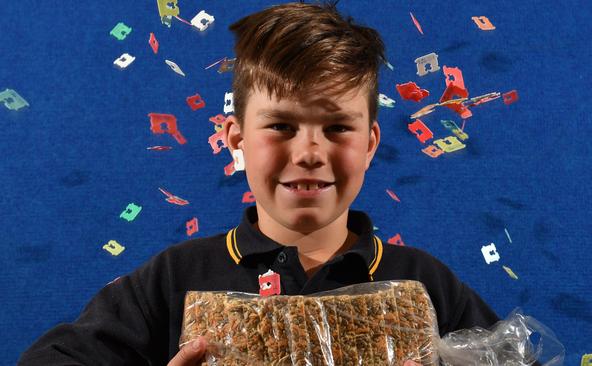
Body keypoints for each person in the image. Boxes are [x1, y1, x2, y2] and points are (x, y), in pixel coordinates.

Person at [19, 2, 499, 365]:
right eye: (281, 126)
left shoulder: (424, 284)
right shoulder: (174, 281)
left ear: (370, 143)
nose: (310, 153)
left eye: (337, 128)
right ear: (236, 138)